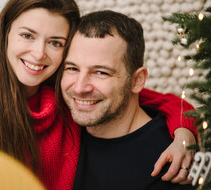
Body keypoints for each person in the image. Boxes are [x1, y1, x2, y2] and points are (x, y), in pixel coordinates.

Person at [0, 0, 196, 190]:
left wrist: (185, 133)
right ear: (5, 35)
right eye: (27, 35)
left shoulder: (67, 97)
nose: (38, 53)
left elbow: (148, 99)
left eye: (55, 43)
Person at [59, 10, 195, 190]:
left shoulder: (172, 163)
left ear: (137, 80)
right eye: (72, 68)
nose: (79, 88)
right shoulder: (58, 126)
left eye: (101, 72)